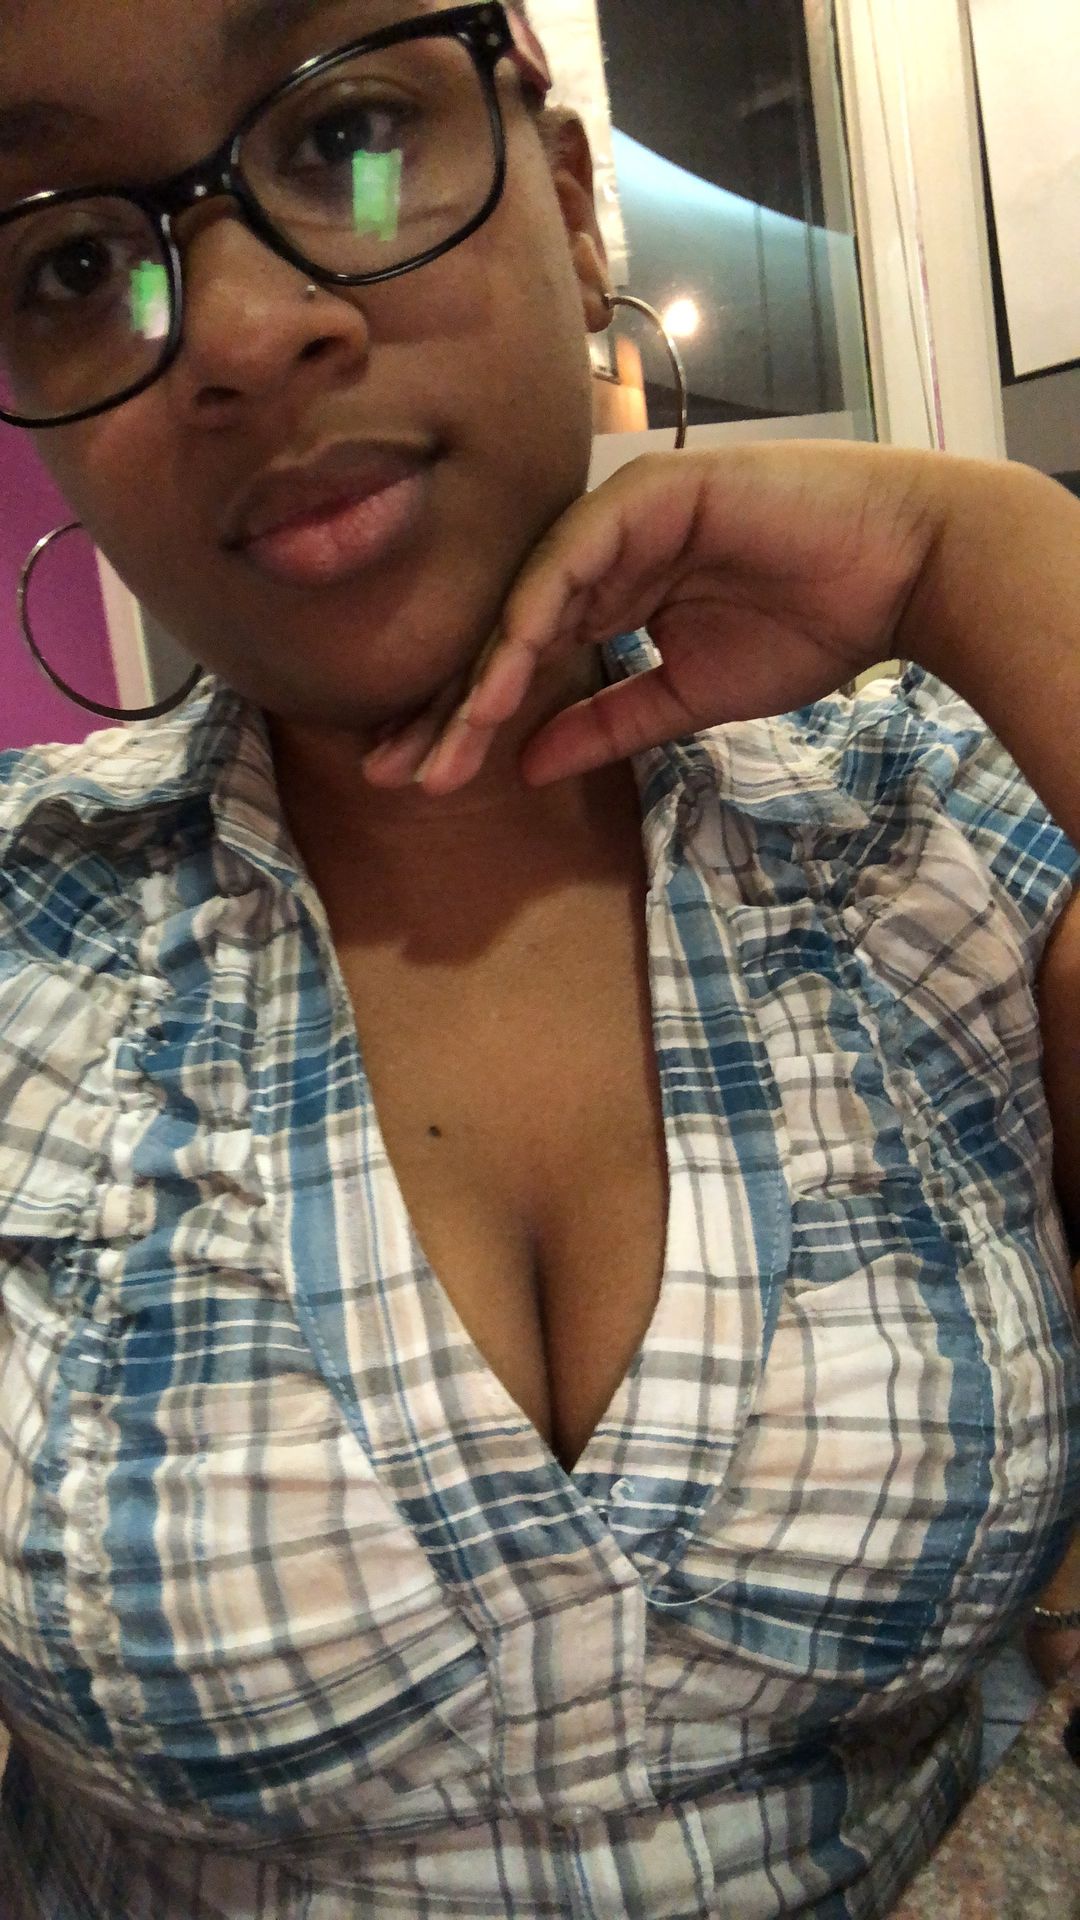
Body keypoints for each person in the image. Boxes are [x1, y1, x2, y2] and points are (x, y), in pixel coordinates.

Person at [0, 2, 1077, 1915]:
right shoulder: (24, 938)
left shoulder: (943, 844)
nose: (239, 333)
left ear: (572, 202)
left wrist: (972, 555)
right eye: (76, 264)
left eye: (344, 136)